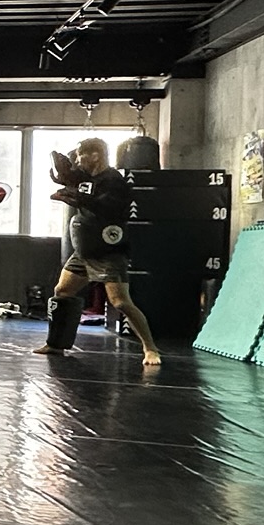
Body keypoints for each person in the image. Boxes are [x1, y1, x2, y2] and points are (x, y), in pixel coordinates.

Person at [35, 136, 163, 367]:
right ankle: (56, 344)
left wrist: (80, 198)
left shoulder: (114, 181)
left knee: (120, 302)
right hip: (83, 250)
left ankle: (150, 348)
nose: (78, 160)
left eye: (81, 155)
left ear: (95, 156)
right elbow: (75, 182)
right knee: (62, 291)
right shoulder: (86, 177)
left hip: (107, 251)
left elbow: (108, 208)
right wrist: (66, 181)